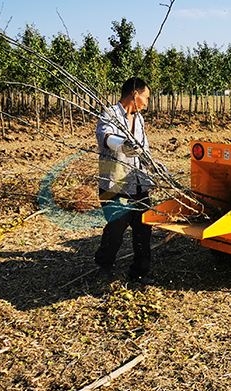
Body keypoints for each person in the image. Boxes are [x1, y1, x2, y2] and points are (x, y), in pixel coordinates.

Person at [94, 77, 155, 284]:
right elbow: (106, 138)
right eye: (145, 97)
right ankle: (103, 266)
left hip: (139, 184)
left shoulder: (139, 119)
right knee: (115, 231)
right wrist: (123, 145)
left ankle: (139, 273)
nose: (146, 103)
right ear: (135, 94)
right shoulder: (109, 115)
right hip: (114, 186)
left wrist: (154, 167)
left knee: (143, 230)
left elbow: (144, 149)